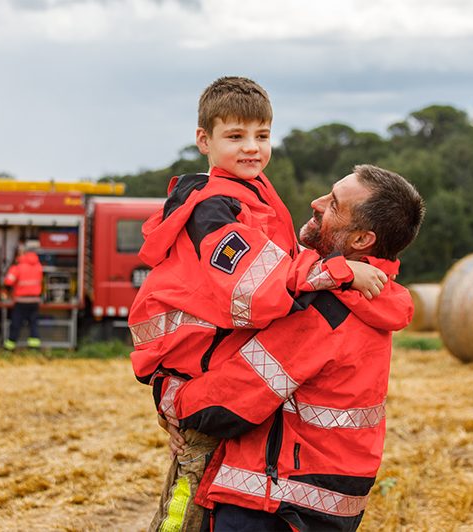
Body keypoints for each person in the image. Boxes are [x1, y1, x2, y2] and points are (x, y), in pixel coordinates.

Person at [129, 77, 387, 532]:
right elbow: (257, 289)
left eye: (262, 136)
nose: (251, 148)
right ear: (203, 140)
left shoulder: (256, 194)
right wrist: (341, 271)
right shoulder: (217, 208)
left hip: (208, 365)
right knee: (186, 505)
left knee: (198, 493)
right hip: (195, 366)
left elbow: (283, 262)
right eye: (235, 137)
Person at [154, 164, 425, 531]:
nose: (315, 202)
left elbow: (227, 403)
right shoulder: (374, 297)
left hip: (275, 504)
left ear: (362, 240)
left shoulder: (325, 312)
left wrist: (170, 396)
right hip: (325, 502)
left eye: (333, 204)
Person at [3, 241, 43, 351]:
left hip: (21, 301)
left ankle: (10, 346)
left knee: (16, 323)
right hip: (35, 300)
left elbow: (8, 282)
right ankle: (34, 346)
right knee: (33, 323)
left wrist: (7, 292)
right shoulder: (38, 266)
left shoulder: (18, 267)